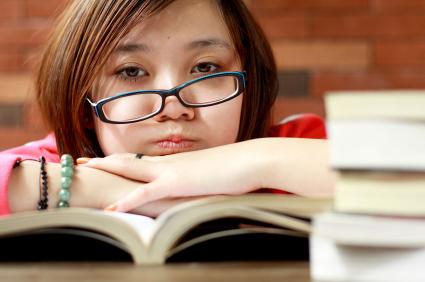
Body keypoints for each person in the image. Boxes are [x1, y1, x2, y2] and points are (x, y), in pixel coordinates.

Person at [1, 0, 335, 217]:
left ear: (251, 84)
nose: (174, 109)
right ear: (84, 104)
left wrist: (260, 161)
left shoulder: (293, 144)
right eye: (131, 71)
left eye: (206, 67)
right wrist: (116, 190)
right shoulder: (58, 161)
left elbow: (384, 176)